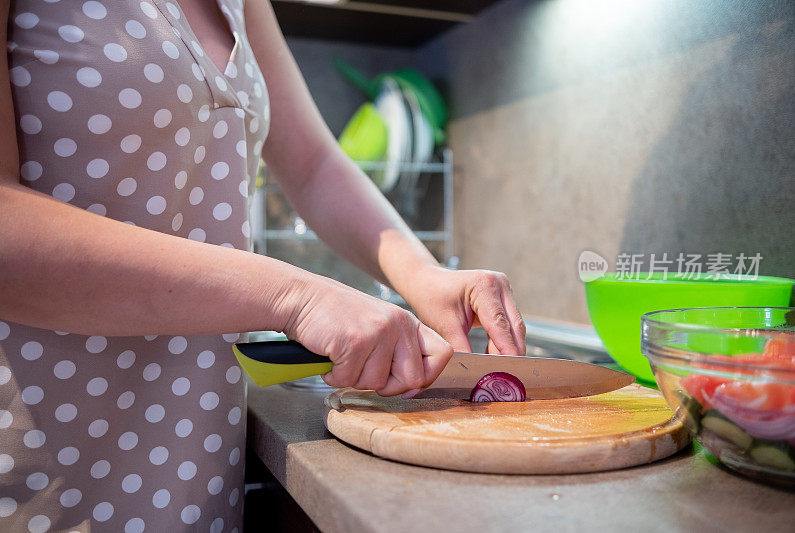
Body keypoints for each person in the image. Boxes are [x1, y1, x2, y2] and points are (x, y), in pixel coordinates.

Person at [0, 1, 525, 530]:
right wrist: (297, 297)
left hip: (196, 446)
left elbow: (313, 164)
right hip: (46, 452)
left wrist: (424, 275)